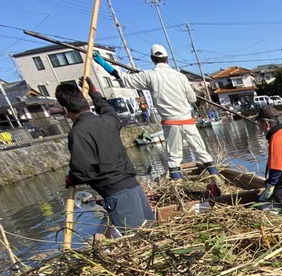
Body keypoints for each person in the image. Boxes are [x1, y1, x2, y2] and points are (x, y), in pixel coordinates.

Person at [93, 44, 218, 180]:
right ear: (167, 59)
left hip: (171, 123)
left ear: (152, 59)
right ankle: (217, 179)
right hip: (188, 122)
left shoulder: (149, 76)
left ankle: (178, 186)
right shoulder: (180, 77)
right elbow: (192, 98)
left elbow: (122, 78)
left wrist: (103, 63)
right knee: (202, 153)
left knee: (174, 158)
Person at [55, 78, 154, 233]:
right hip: (134, 187)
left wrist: (72, 178)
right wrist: (96, 95)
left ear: (66, 110)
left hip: (117, 194)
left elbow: (84, 171)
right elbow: (110, 112)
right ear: (86, 103)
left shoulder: (78, 132)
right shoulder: (107, 121)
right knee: (150, 231)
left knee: (136, 237)